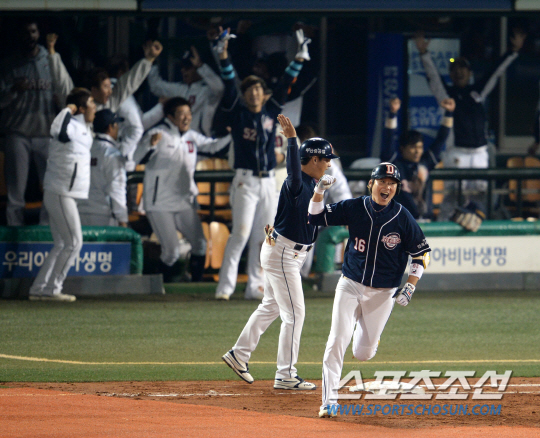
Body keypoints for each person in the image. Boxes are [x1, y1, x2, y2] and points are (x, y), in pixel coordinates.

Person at [221, 114, 336, 389]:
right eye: (326, 159)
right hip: (284, 253)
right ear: (315, 160)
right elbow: (294, 171)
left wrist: (321, 191)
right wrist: (292, 141)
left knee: (271, 307)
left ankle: (239, 354)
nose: (330, 164)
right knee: (295, 314)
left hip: (285, 252)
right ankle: (285, 374)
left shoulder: (312, 185)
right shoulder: (297, 182)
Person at [307, 162, 431, 418]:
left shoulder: (403, 217)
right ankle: (329, 401)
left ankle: (365, 338)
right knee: (336, 340)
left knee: (363, 353)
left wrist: (410, 285)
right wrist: (319, 191)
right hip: (350, 284)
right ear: (371, 184)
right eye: (382, 181)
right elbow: (315, 217)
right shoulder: (355, 207)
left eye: (392, 183)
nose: (387, 187)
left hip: (383, 293)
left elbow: (421, 254)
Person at [213, 27, 311, 301]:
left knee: (266, 236)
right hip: (245, 181)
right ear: (245, 95)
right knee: (240, 234)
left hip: (268, 181)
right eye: (250, 90)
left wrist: (299, 59)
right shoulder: (239, 113)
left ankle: (254, 286)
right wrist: (223, 56)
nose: (254, 93)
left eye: (258, 89)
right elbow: (229, 82)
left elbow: (285, 84)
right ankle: (225, 288)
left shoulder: (271, 111)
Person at [414, 29, 526, 221]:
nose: (459, 72)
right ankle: (443, 230)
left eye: (463, 68)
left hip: (480, 154)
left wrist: (513, 52)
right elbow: (434, 78)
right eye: (454, 69)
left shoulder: (477, 92)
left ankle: (482, 230)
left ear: (470, 72)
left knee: (483, 197)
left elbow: (495, 72)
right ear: (450, 74)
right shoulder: (446, 95)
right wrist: (424, 53)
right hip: (457, 154)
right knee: (453, 196)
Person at [133, 97, 230, 282]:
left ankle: (196, 286)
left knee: (200, 244)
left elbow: (214, 148)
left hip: (184, 201)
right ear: (170, 117)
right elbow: (136, 158)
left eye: (189, 113)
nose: (187, 117)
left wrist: (232, 136)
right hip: (159, 203)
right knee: (171, 252)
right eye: (181, 114)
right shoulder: (157, 134)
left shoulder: (192, 136)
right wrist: (150, 145)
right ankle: (157, 286)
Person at [28, 88, 97, 302]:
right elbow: (58, 129)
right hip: (61, 191)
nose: (95, 107)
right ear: (81, 108)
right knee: (74, 243)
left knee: (61, 244)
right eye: (91, 103)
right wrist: (68, 109)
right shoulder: (69, 125)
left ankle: (39, 288)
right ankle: (52, 289)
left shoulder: (83, 128)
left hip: (64, 192)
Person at [0, 20, 56, 226]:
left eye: (33, 31)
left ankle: (46, 231)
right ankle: (14, 232)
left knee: (51, 189)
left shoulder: (50, 60)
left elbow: (63, 91)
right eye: (25, 32)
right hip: (18, 133)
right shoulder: (9, 65)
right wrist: (13, 90)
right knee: (15, 194)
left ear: (38, 33)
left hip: (46, 133)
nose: (30, 36)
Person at [46, 33, 162, 113]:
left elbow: (129, 82)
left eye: (110, 86)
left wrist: (149, 59)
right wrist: (51, 51)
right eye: (106, 87)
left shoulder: (110, 103)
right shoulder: (76, 103)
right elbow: (61, 80)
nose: (110, 91)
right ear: (94, 90)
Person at [381, 96, 455, 220]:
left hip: (425, 221)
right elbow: (388, 140)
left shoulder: (425, 162)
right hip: (400, 221)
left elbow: (441, 139)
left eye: (420, 147)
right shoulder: (394, 165)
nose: (417, 151)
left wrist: (449, 112)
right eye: (412, 147)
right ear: (402, 148)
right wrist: (392, 114)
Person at [147, 46, 224, 137]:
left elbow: (220, 88)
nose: (183, 70)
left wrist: (200, 66)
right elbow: (155, 86)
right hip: (181, 140)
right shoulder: (180, 88)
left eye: (188, 67)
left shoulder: (208, 90)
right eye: (182, 67)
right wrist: (151, 60)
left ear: (198, 69)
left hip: (202, 141)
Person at [77, 109, 128, 227]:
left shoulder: (83, 149)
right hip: (102, 215)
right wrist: (122, 219)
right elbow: (116, 189)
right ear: (110, 127)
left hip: (78, 212)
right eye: (116, 125)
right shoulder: (112, 154)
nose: (118, 128)